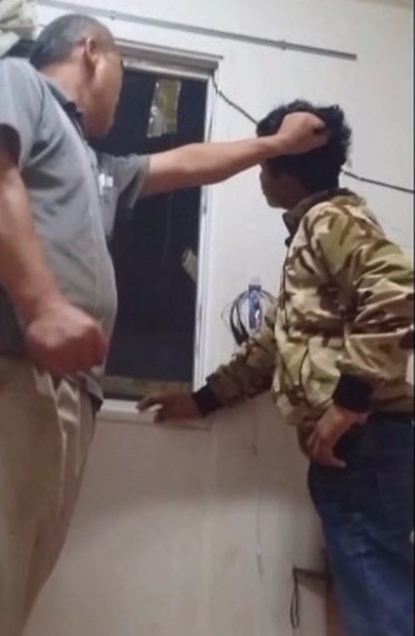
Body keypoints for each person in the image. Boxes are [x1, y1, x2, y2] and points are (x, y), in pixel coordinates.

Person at [0, 15, 328, 636]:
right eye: (122, 76)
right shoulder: (15, 82)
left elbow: (188, 162)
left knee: (3, 593)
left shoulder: (95, 165)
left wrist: (275, 147)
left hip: (57, 394)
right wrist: (42, 306)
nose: (121, 99)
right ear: (91, 51)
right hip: (5, 372)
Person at [139, 100, 414, 636]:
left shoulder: (331, 220)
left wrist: (349, 402)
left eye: (265, 167)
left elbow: (398, 289)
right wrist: (200, 400)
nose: (260, 178)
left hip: (369, 445)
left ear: (285, 173)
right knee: (374, 600)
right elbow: (271, 347)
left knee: (380, 606)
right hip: (359, 452)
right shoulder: (312, 234)